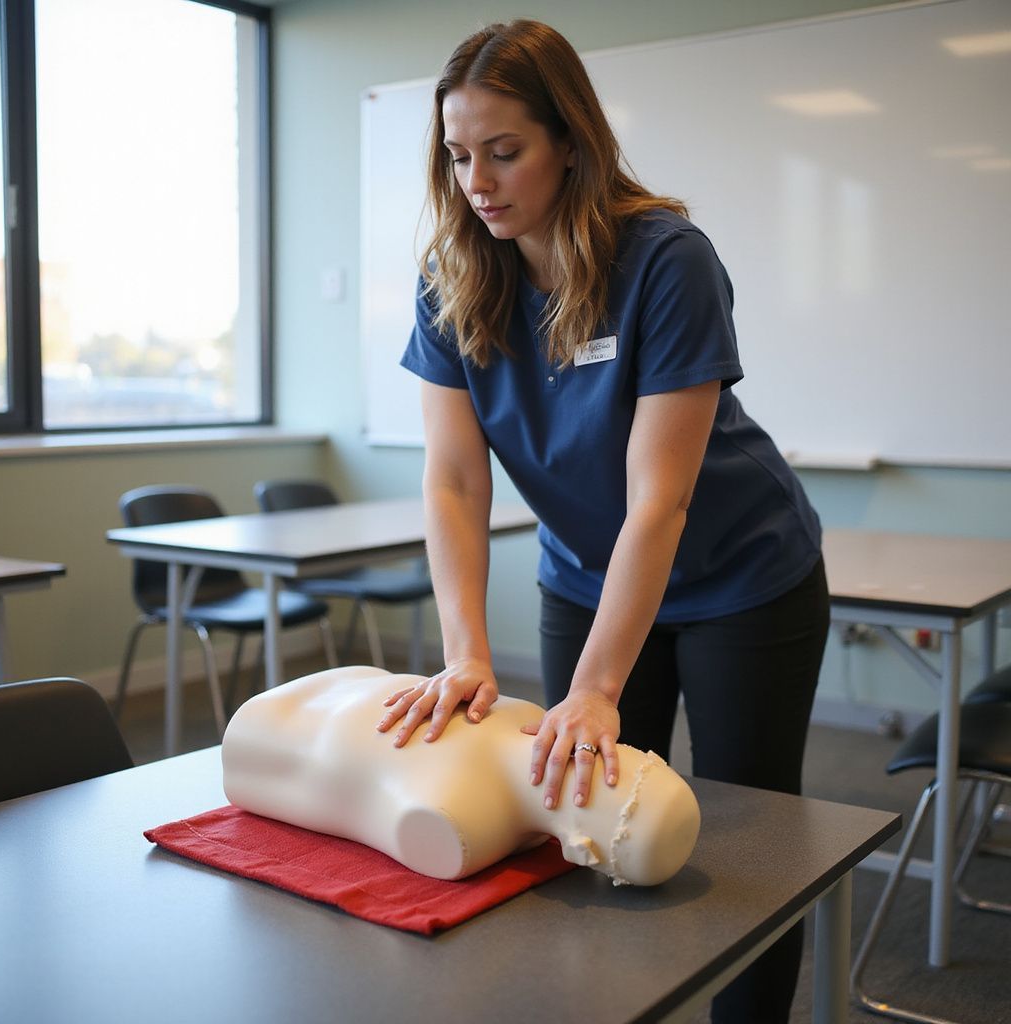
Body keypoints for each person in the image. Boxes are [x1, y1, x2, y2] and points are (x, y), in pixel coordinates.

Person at [380, 19, 829, 1022]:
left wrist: (591, 687)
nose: (478, 181)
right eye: (459, 156)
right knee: (576, 820)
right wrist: (464, 653)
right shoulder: (451, 277)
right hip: (583, 573)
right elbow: (453, 480)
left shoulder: (664, 260)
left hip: (739, 579)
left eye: (505, 151)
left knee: (743, 839)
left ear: (569, 142)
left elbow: (657, 499)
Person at [223, 665, 701, 886]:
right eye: (623, 758)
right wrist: (466, 656)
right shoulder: (465, 822)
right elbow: (453, 487)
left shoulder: (461, 820)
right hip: (270, 734)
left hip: (274, 737)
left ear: (579, 848)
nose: (600, 760)